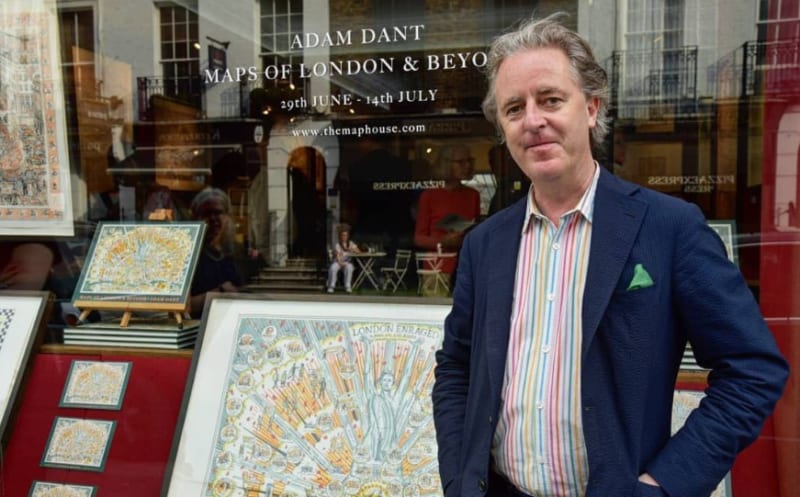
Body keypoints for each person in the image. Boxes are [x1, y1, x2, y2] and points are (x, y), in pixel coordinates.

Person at [431, 13, 788, 497]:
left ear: (593, 108)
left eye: (551, 99)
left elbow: (753, 369)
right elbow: (456, 367)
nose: (533, 120)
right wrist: (458, 477)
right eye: (514, 109)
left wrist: (664, 485)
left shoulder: (669, 228)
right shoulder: (485, 244)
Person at [414, 144, 481, 276]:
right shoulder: (430, 195)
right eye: (461, 162)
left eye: (469, 161)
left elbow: (475, 230)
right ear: (446, 164)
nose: (467, 165)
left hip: (467, 264)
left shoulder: (473, 195)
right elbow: (419, 238)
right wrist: (443, 241)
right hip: (437, 265)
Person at [189, 187, 243, 316]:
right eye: (206, 214)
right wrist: (220, 293)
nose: (213, 219)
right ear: (196, 217)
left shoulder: (236, 251)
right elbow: (185, 306)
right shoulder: (190, 255)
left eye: (218, 212)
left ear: (227, 216)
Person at [327, 224, 360, 293]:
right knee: (333, 268)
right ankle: (331, 286)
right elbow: (336, 255)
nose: (344, 237)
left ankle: (347, 286)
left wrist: (353, 249)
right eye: (343, 235)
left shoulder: (350, 243)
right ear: (340, 236)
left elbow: (358, 251)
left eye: (345, 235)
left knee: (349, 267)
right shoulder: (337, 244)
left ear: (347, 236)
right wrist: (340, 262)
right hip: (338, 262)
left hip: (347, 262)